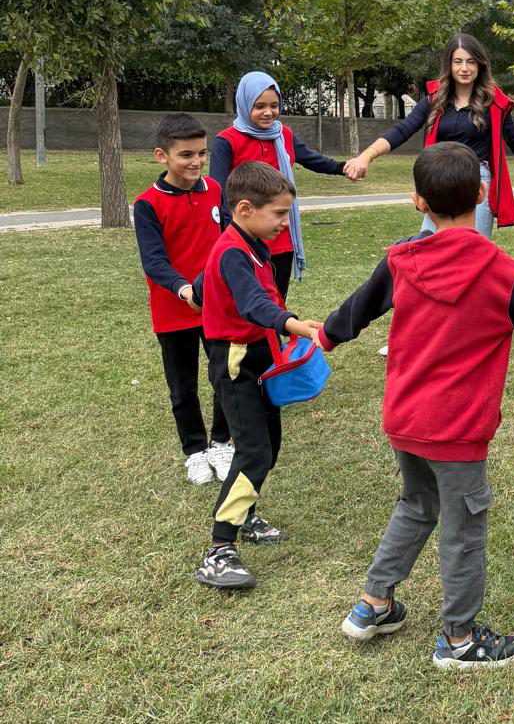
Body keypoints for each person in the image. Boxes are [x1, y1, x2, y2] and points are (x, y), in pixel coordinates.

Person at [314, 142, 514, 670]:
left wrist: (323, 337)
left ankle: (372, 604)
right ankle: (459, 640)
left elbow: (355, 310)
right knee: (462, 526)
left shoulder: (400, 260)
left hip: (404, 420)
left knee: (417, 504)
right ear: (483, 193)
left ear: (418, 202)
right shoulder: (499, 272)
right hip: (455, 431)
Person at [191, 162, 322, 590]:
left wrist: (199, 290)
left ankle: (245, 516)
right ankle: (219, 549)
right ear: (245, 209)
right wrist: (293, 324)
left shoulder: (250, 245)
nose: (286, 223)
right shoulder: (232, 250)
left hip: (261, 354)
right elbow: (253, 303)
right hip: (236, 360)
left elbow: (212, 285)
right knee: (254, 452)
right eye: (280, 214)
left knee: (269, 445)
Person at [344, 34, 514, 238]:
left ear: (480, 65)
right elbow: (402, 130)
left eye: (471, 62)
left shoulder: (494, 105)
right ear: (450, 65)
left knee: (471, 254)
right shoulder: (433, 101)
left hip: (475, 181)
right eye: (458, 62)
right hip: (438, 180)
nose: (464, 68)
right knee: (432, 249)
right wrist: (366, 156)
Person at [133, 113, 233, 485]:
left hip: (217, 308)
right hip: (174, 311)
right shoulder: (147, 204)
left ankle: (222, 442)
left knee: (226, 377)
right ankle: (194, 450)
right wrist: (185, 289)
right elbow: (153, 261)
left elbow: (229, 241)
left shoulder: (216, 192)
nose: (196, 162)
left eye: (202, 153)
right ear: (162, 156)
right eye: (186, 155)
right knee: (183, 387)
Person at [210, 71, 357, 300]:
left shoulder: (282, 134)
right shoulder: (227, 141)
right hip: (244, 236)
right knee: (247, 304)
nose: (268, 112)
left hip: (280, 234)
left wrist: (342, 167)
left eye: (274, 105)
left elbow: (310, 158)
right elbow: (218, 192)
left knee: (276, 300)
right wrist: (231, 236)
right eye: (259, 106)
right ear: (245, 103)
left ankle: (274, 337)